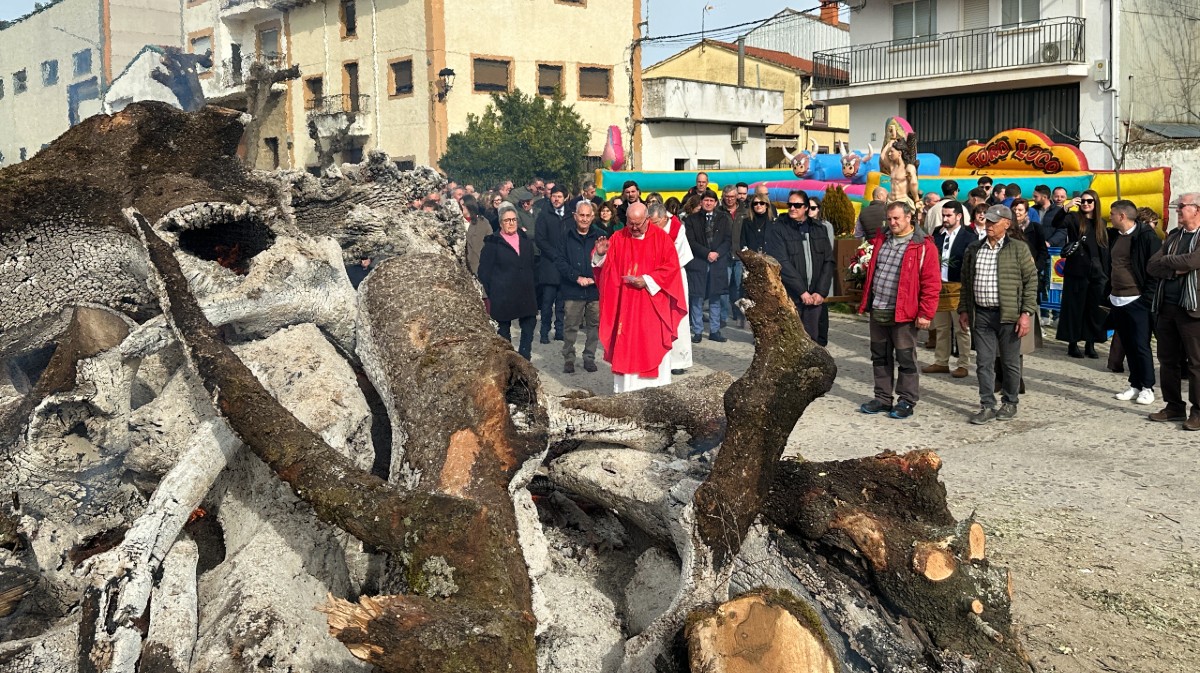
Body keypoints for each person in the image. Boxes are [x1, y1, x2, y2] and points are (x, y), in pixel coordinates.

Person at [591, 202, 688, 393]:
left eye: (638, 224)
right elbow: (607, 269)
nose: (634, 228)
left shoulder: (661, 238)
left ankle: (656, 395)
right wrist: (600, 256)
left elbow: (671, 268)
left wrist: (647, 280)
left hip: (651, 306)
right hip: (625, 306)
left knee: (651, 345)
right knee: (626, 346)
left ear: (647, 219)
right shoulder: (619, 237)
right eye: (630, 223)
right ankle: (626, 393)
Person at [857, 202, 941, 419]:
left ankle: (906, 399)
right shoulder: (882, 240)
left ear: (909, 217)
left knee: (905, 357)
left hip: (904, 312)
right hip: (879, 309)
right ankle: (883, 398)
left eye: (896, 218)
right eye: (890, 219)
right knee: (880, 356)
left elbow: (931, 283)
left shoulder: (923, 246)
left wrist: (926, 313)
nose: (892, 223)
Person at [957, 205, 1039, 423]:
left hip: (1009, 315)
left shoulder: (1019, 249)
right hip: (982, 315)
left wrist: (1026, 314)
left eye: (994, 221)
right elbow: (966, 283)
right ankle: (987, 404)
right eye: (987, 221)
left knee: (1010, 362)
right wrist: (964, 309)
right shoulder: (974, 248)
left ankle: (1010, 402)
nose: (989, 225)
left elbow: (1031, 282)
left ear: (1007, 224)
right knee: (984, 362)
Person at [1146, 192, 1200, 429]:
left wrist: (1169, 261)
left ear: (1197, 209)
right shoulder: (1174, 236)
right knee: (1167, 360)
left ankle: (1197, 411)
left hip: (1192, 309)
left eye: (1182, 206)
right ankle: (1173, 406)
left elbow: (1192, 262)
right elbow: (1151, 265)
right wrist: (1173, 266)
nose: (1178, 210)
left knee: (1196, 363)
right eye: (1177, 206)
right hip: (1166, 306)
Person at [1104, 199, 1162, 406]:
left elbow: (1155, 269)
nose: (1109, 217)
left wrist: (1146, 298)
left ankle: (1148, 387)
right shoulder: (1115, 237)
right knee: (1127, 344)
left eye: (1112, 214)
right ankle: (1135, 384)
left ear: (1122, 216)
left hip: (1137, 298)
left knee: (1140, 344)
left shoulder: (1146, 237)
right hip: (1118, 298)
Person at [765, 190, 834, 345]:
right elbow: (782, 262)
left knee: (817, 341)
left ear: (806, 208)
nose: (792, 208)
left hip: (816, 296)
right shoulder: (778, 229)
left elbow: (828, 261)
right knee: (793, 342)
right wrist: (802, 291)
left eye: (797, 205)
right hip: (793, 295)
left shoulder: (819, 229)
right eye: (790, 205)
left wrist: (821, 292)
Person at [478, 205, 538, 360]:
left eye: (513, 220)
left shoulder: (525, 241)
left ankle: (525, 357)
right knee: (503, 330)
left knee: (529, 324)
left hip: (525, 292)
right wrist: (494, 290)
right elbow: (484, 271)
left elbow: (531, 264)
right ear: (500, 223)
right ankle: (509, 359)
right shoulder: (493, 242)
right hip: (503, 294)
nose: (511, 223)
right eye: (507, 220)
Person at [1056, 189, 1109, 358]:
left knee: (1093, 309)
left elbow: (1104, 249)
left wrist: (1105, 272)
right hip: (1076, 271)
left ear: (1095, 203)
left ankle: (1090, 343)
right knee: (1074, 308)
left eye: (1089, 201)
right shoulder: (1073, 218)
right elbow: (1056, 223)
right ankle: (1073, 343)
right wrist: (1066, 207)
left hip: (1096, 272)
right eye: (1083, 201)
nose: (1086, 204)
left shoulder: (1101, 222)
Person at [924, 200, 974, 378]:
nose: (944, 218)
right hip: (939, 286)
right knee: (941, 327)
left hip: (958, 286)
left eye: (948, 215)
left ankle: (963, 363)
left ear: (959, 216)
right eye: (943, 215)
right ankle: (941, 361)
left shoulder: (969, 236)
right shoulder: (937, 234)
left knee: (961, 327)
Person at [555, 201, 604, 373]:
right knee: (570, 326)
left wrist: (593, 278)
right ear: (575, 216)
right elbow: (560, 261)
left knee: (594, 326)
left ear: (592, 217)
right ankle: (568, 357)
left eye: (587, 215)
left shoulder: (601, 236)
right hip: (573, 289)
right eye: (581, 215)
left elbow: (609, 261)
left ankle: (589, 357)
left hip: (594, 290)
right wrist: (576, 277)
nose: (584, 219)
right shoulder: (565, 236)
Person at [648, 202, 695, 375]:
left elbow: (679, 256)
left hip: (675, 277)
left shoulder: (677, 229)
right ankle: (657, 358)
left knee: (678, 317)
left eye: (654, 223)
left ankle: (678, 360)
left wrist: (662, 270)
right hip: (655, 277)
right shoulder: (650, 227)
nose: (652, 227)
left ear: (663, 218)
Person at [684, 190, 733, 342]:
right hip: (699, 262)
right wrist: (707, 253)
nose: (708, 203)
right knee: (697, 298)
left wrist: (717, 253)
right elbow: (691, 241)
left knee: (715, 298)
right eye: (706, 200)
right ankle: (698, 331)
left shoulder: (724, 218)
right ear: (701, 202)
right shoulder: (691, 219)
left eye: (712, 201)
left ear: (716, 203)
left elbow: (728, 240)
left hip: (717, 262)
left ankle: (714, 330)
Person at [535, 185, 571, 343]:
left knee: (562, 303)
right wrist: (554, 254)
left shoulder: (570, 216)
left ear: (565, 198)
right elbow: (540, 239)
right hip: (549, 264)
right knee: (547, 302)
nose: (556, 199)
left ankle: (560, 330)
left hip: (565, 266)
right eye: (554, 196)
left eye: (559, 197)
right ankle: (544, 331)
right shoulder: (544, 215)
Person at [808, 195, 837, 344]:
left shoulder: (826, 226)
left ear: (818, 209)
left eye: (813, 208)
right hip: (807, 271)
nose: (810, 211)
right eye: (808, 207)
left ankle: (822, 339)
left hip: (821, 270)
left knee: (821, 306)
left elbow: (829, 250)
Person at [720, 184, 747, 328]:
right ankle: (723, 316)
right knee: (724, 286)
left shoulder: (745, 211)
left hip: (739, 255)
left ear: (737, 196)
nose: (729, 199)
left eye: (732, 196)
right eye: (727, 197)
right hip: (724, 254)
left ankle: (738, 314)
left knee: (738, 286)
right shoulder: (719, 211)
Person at [464, 195, 491, 276]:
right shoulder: (456, 223)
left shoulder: (483, 222)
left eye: (462, 205)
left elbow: (490, 241)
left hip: (479, 265)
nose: (459, 207)